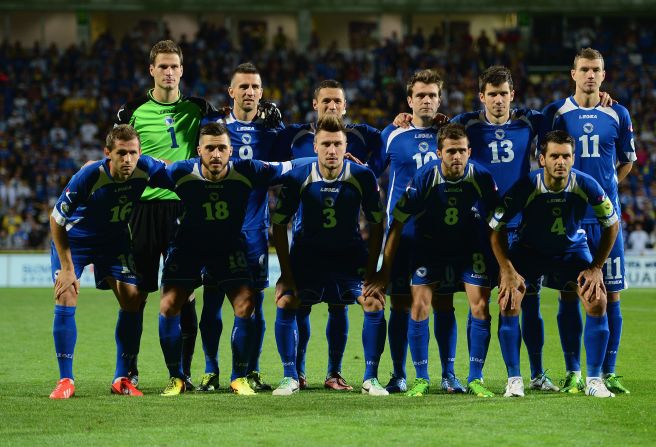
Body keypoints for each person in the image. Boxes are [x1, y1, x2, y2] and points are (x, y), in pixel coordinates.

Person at [156, 122, 298, 396]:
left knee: (246, 306)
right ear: (199, 150)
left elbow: (288, 167)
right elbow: (144, 170)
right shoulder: (181, 172)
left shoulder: (246, 170)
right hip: (188, 248)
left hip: (229, 249)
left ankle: (237, 377)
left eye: (222, 148)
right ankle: (177, 378)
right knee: (168, 305)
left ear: (231, 150)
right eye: (210, 148)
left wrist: (328, 160)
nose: (216, 154)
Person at [365, 123, 500, 397]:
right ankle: (422, 378)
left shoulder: (481, 177)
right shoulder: (425, 177)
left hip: (468, 247)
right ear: (439, 153)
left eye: (462, 151)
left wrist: (504, 266)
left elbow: (497, 222)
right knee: (419, 306)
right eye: (451, 151)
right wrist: (384, 270)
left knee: (480, 306)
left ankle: (475, 378)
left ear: (470, 152)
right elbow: (398, 223)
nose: (457, 157)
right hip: (429, 247)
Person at [450, 66, 558, 392]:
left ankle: (536, 374)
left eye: (504, 93)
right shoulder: (464, 123)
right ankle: (475, 377)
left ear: (513, 94)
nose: (498, 100)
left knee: (528, 300)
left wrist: (602, 98)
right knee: (479, 303)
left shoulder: (530, 120)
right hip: (481, 228)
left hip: (520, 228)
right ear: (481, 96)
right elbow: (436, 134)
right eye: (492, 94)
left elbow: (561, 115)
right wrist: (404, 118)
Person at [489, 130, 620, 398]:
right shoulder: (526, 186)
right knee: (510, 300)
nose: (561, 162)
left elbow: (612, 224)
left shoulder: (586, 184)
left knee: (597, 300)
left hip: (571, 251)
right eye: (555, 156)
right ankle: (515, 380)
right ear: (542, 159)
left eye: (566, 156)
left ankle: (594, 380)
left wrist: (596, 267)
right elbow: (495, 229)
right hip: (529, 251)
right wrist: (507, 269)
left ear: (573, 159)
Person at [115, 40, 215, 389]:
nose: (169, 72)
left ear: (182, 71)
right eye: (163, 66)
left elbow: (222, 141)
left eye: (175, 66)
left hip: (183, 210)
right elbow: (119, 158)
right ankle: (128, 371)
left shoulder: (199, 110)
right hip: (142, 210)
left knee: (184, 292)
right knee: (136, 294)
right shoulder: (132, 112)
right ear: (152, 70)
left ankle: (181, 373)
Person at [274, 79, 384, 391]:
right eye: (326, 144)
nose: (332, 149)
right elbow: (278, 224)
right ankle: (292, 375)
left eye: (338, 144)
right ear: (315, 146)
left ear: (347, 146)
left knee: (373, 302)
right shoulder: (298, 176)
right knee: (288, 301)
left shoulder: (362, 175)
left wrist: (375, 269)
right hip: (307, 256)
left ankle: (365, 377)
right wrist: (285, 273)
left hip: (350, 257)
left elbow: (379, 222)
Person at [48, 125, 169, 399]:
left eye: (133, 153)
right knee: (66, 294)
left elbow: (175, 174)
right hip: (76, 241)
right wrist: (67, 269)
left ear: (140, 153)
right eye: (121, 153)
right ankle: (65, 379)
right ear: (108, 154)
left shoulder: (147, 167)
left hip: (113, 242)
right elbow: (56, 219)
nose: (128, 160)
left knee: (132, 299)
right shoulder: (90, 175)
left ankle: (121, 378)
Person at [541, 48, 635, 394]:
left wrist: (602, 190)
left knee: (611, 295)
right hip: (570, 219)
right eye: (585, 69)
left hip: (606, 219)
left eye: (596, 69)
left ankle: (608, 371)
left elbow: (625, 161)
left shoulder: (618, 113)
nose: (590, 75)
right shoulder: (557, 113)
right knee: (569, 294)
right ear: (573, 74)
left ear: (604, 74)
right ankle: (573, 371)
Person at [198, 63, 284, 392]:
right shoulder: (212, 128)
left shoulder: (271, 131)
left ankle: (251, 370)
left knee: (254, 303)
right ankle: (210, 369)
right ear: (230, 92)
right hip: (214, 230)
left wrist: (283, 126)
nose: (249, 92)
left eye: (255, 87)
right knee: (212, 299)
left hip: (254, 233)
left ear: (261, 94)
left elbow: (292, 159)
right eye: (243, 87)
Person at [379, 69, 452, 393]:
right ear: (409, 100)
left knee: (444, 303)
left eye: (431, 95)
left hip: (439, 236)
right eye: (420, 95)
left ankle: (448, 374)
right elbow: (370, 173)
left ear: (439, 99)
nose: (426, 100)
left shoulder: (449, 133)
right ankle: (398, 373)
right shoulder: (392, 134)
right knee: (399, 304)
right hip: (401, 234)